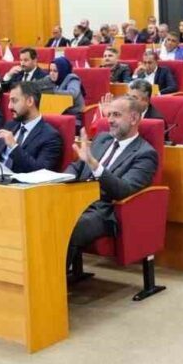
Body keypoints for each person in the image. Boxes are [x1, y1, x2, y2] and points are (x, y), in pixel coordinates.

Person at [64, 95, 159, 272]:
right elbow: (75, 167)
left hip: (104, 210)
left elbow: (124, 190)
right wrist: (61, 182)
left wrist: (94, 165)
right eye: (109, 115)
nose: (110, 120)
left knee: (64, 226)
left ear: (133, 118)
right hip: (75, 200)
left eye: (116, 115)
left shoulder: (145, 154)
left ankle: (52, 286)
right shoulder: (102, 139)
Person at [0, 81, 62, 172]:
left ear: (30, 101)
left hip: (19, 184)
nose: (9, 106)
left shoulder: (50, 136)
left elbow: (41, 173)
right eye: (9, 101)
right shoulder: (10, 125)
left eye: (14, 101)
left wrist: (14, 147)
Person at [48, 56, 85, 128]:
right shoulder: (50, 79)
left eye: (55, 71)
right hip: (55, 115)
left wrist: (53, 92)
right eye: (50, 70)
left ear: (62, 70)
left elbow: (72, 93)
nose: (51, 73)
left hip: (72, 118)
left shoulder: (72, 79)